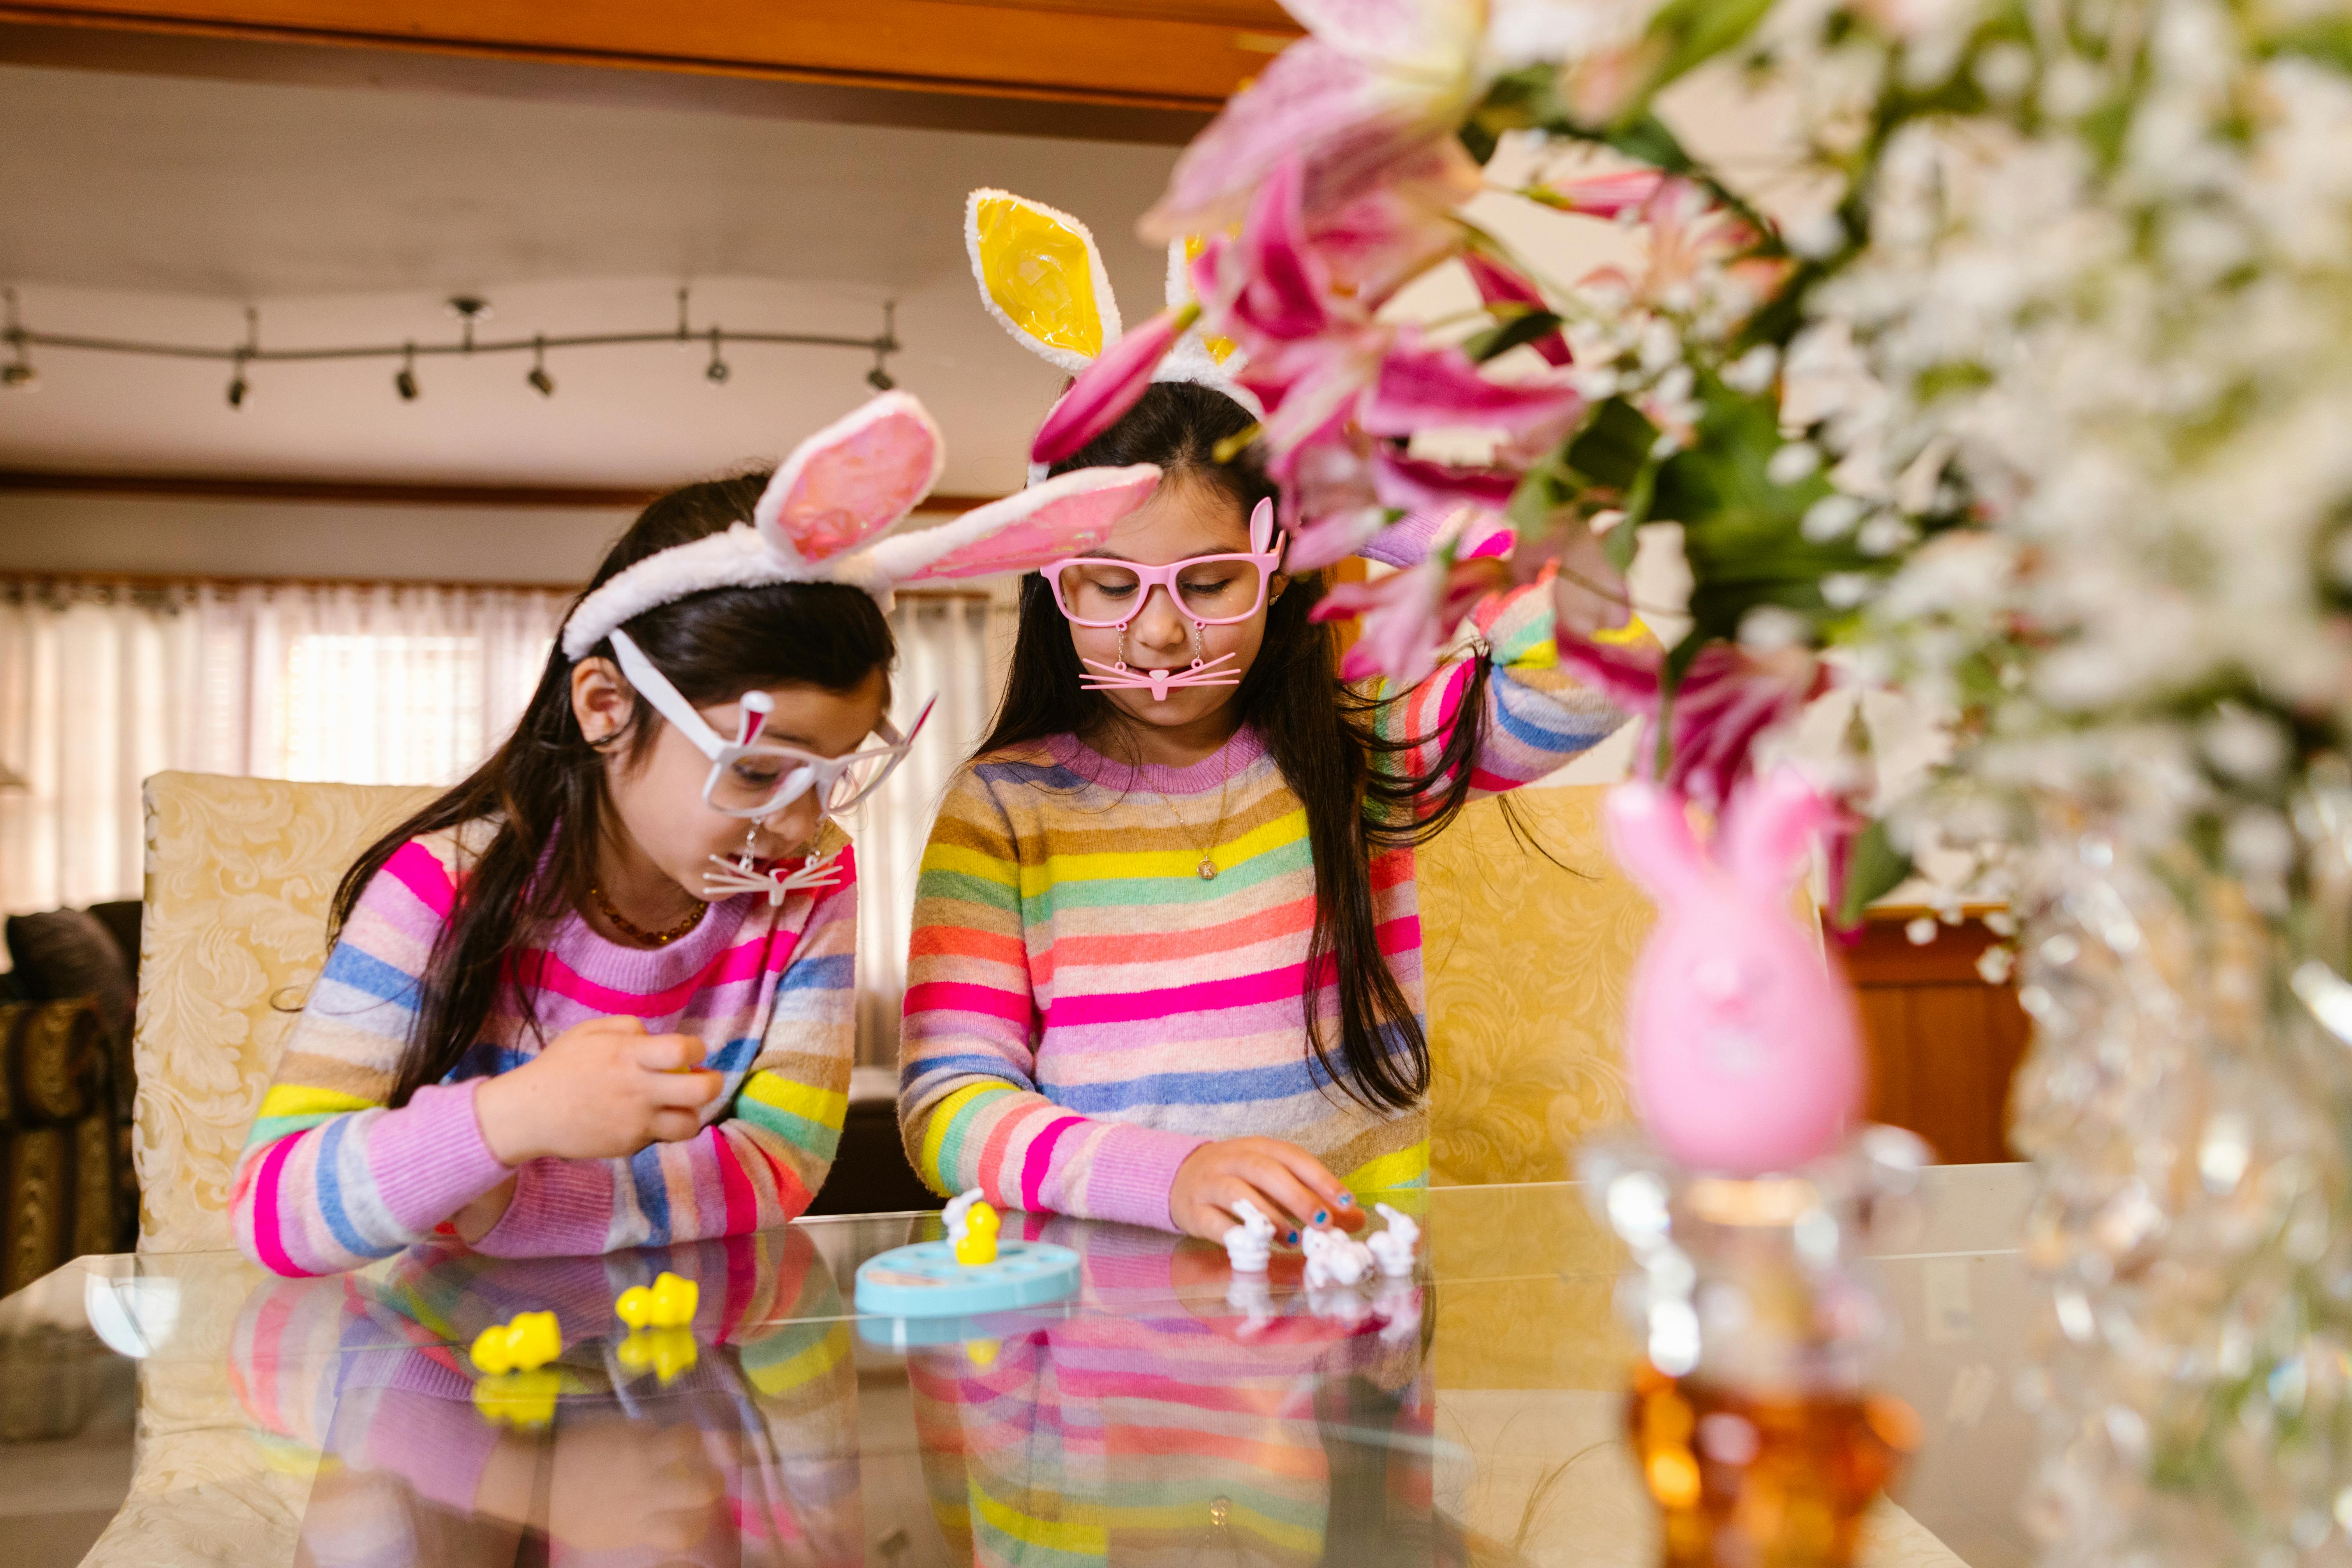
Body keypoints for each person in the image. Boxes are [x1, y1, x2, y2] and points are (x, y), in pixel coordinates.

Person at [232, 391, 1163, 1276]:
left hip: (686, 1369)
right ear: (604, 705)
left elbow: (783, 1164)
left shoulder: (809, 880)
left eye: (831, 777)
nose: (801, 826)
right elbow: (274, 1210)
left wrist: (516, 1206)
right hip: (449, 1378)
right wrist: (508, 1120)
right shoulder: (443, 886)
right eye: (757, 771)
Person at [898, 380, 1628, 1246]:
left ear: (1278, 570)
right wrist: (1166, 1179)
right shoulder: (1002, 808)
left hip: (1347, 1312)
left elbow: (1597, 669)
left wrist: (1376, 512)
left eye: (1209, 585)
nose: (1160, 634)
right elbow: (946, 1106)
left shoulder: (1360, 754)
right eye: (1106, 586)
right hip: (1110, 1327)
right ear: (1052, 585)